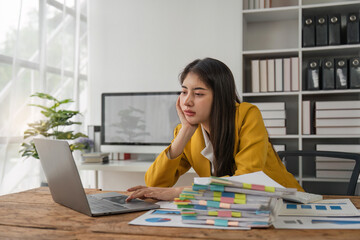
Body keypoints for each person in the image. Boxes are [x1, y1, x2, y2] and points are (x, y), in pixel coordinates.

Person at [126, 58, 303, 202]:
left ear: (220, 97)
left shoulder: (247, 115)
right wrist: (185, 132)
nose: (187, 101)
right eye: (184, 91)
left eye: (198, 94)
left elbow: (245, 182)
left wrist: (179, 192)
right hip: (232, 207)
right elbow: (155, 183)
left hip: (282, 202)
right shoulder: (186, 132)